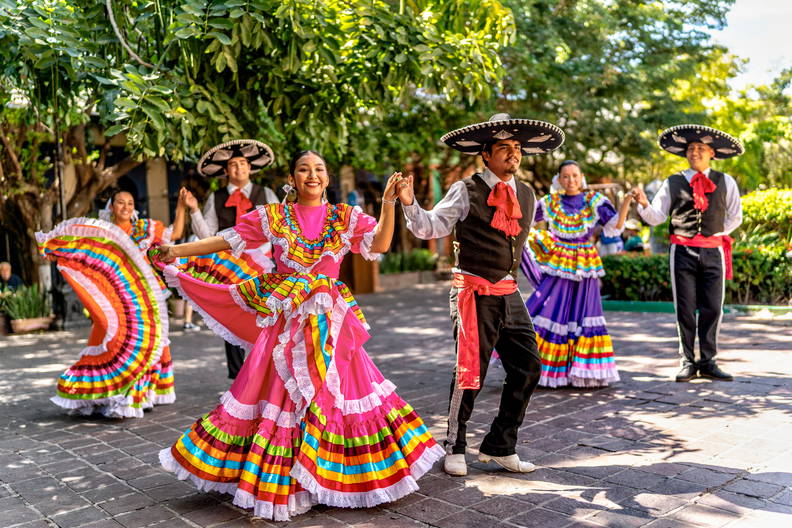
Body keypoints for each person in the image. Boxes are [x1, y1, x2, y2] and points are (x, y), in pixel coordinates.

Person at [153, 151, 444, 521]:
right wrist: (175, 250)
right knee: (283, 396)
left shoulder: (344, 217)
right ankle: (293, 484)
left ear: (327, 177)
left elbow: (381, 243)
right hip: (286, 322)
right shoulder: (274, 217)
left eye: (319, 169)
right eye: (304, 169)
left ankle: (327, 478)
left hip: (330, 323)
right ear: (293, 177)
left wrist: (388, 202)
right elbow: (225, 242)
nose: (312, 175)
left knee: (335, 393)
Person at [396, 113, 564, 477]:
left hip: (509, 291)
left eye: (516, 148)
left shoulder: (527, 194)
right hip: (472, 291)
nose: (512, 154)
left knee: (529, 367)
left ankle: (501, 446)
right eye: (504, 148)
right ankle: (454, 445)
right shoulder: (465, 189)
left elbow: (518, 245)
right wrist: (409, 203)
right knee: (470, 372)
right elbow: (430, 226)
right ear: (486, 155)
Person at [36, 189, 188, 417]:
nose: (126, 207)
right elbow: (79, 250)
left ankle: (135, 395)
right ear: (111, 207)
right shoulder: (101, 232)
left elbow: (175, 233)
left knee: (145, 344)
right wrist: (56, 251)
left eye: (130, 203)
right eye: (120, 203)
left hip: (142, 300)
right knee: (111, 340)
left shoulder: (144, 228)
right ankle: (104, 393)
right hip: (112, 300)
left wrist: (182, 206)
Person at [633, 124, 743, 382]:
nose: (695, 152)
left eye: (701, 148)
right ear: (685, 154)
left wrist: (712, 234)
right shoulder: (673, 181)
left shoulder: (725, 181)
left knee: (713, 308)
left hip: (713, 252)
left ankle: (708, 361)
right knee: (684, 308)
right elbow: (656, 217)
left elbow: (735, 216)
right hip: (681, 251)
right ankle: (687, 361)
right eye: (691, 148)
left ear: (711, 153)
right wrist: (643, 204)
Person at [521, 160, 632, 388]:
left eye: (574, 175)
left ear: (581, 177)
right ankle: (547, 370)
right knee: (552, 309)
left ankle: (581, 371)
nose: (570, 180)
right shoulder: (549, 202)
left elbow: (615, 225)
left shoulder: (594, 201)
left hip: (584, 265)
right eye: (566, 176)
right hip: (558, 264)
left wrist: (628, 201)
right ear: (559, 180)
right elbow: (524, 222)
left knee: (585, 312)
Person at [186, 139, 280, 379]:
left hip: (264, 265)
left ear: (250, 167)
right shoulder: (215, 197)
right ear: (226, 171)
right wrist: (194, 209)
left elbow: (280, 229)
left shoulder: (265, 193)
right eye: (234, 165)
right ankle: (239, 379)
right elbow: (206, 236)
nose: (239, 168)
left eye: (243, 163)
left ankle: (269, 373)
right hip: (231, 268)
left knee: (267, 317)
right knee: (234, 320)